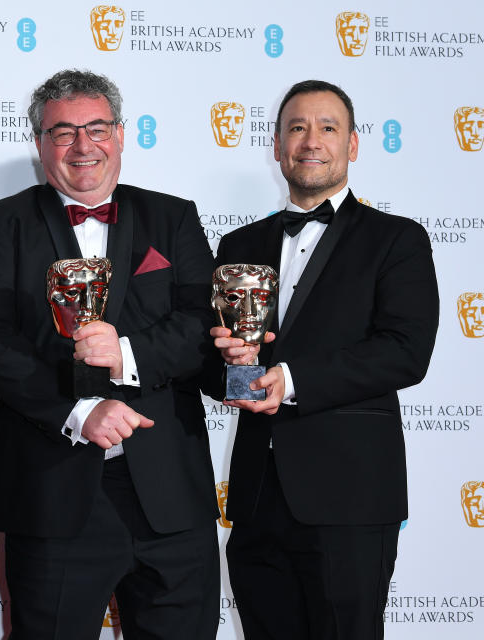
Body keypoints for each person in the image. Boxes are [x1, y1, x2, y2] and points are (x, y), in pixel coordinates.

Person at [0, 69, 220, 639]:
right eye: (63, 132)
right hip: (53, 492)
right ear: (39, 144)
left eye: (97, 128)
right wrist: (77, 412)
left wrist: (126, 352)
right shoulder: (1, 224)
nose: (83, 146)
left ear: (122, 135)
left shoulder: (173, 217)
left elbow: (204, 323)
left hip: (171, 497)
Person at [206, 79, 439, 639]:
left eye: (327, 128)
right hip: (258, 497)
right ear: (278, 145)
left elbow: (405, 353)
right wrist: (232, 370)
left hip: (350, 499)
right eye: (297, 128)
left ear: (353, 145)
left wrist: (292, 378)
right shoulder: (238, 246)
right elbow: (217, 364)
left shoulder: (396, 239)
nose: (311, 141)